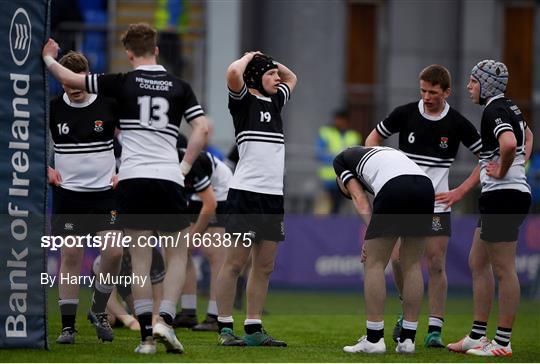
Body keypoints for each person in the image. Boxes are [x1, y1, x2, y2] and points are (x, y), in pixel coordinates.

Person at [43, 22, 209, 354]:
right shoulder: (179, 86)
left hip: (128, 181)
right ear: (157, 50)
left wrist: (49, 58)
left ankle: (146, 337)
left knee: (138, 259)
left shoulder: (119, 85)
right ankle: (164, 319)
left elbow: (71, 79)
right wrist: (185, 167)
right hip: (166, 177)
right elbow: (203, 128)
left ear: (128, 53)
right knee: (177, 253)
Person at [365, 64, 483, 347]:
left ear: (446, 92)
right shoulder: (405, 113)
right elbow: (372, 140)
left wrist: (460, 191)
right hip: (403, 202)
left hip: (437, 205)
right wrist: (380, 177)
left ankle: (435, 329)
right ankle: (408, 316)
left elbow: (487, 157)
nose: (427, 96)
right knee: (397, 261)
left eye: (432, 92)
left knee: (436, 263)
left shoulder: (456, 122)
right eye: (423, 91)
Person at [447, 60, 532, 357]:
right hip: (504, 195)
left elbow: (508, 144)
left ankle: (503, 342)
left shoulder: (494, 110)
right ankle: (477, 335)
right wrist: (516, 164)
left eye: (472, 81)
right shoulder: (511, 107)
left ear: (486, 85)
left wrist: (504, 170)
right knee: (477, 261)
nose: (469, 87)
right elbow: (527, 137)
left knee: (504, 269)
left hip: (504, 196)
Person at [215, 52, 297, 346]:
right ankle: (224, 328)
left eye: (276, 74)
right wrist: (251, 57)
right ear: (254, 77)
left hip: (273, 197)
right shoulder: (242, 101)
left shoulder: (276, 100)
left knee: (264, 266)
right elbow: (232, 73)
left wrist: (270, 61)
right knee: (234, 264)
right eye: (270, 74)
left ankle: (253, 329)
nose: (278, 78)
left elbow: (292, 77)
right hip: (246, 194)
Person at [48, 51, 122, 344]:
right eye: (68, 86)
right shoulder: (53, 108)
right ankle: (68, 327)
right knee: (71, 255)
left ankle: (99, 309)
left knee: (115, 252)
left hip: (105, 195)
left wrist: (124, 169)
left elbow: (130, 137)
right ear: (62, 81)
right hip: (68, 197)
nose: (74, 91)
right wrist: (47, 168)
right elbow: (38, 143)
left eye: (78, 85)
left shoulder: (109, 104)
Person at [336, 146, 435, 354]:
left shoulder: (341, 162)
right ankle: (408, 340)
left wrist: (369, 234)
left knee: (374, 262)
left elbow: (360, 199)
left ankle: (374, 340)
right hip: (425, 186)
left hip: (395, 186)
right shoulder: (380, 152)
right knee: (413, 264)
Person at [173, 149, 232, 332]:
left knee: (215, 255)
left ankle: (215, 317)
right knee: (181, 251)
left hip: (220, 191)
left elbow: (210, 204)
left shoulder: (193, 163)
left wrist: (194, 235)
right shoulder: (161, 166)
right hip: (197, 194)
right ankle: (188, 313)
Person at [90, 247, 165, 329]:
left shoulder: (155, 256)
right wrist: (130, 321)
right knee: (109, 319)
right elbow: (109, 299)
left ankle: (125, 309)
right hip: (109, 286)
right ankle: (96, 307)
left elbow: (159, 296)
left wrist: (155, 320)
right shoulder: (109, 259)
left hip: (129, 285)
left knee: (144, 317)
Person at [316, 110, 362, 214]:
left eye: (341, 120)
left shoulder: (354, 135)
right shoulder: (326, 132)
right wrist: (339, 159)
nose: (338, 122)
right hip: (328, 178)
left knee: (340, 208)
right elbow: (319, 152)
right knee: (327, 208)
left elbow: (357, 156)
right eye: (337, 119)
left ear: (346, 121)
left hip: (346, 178)